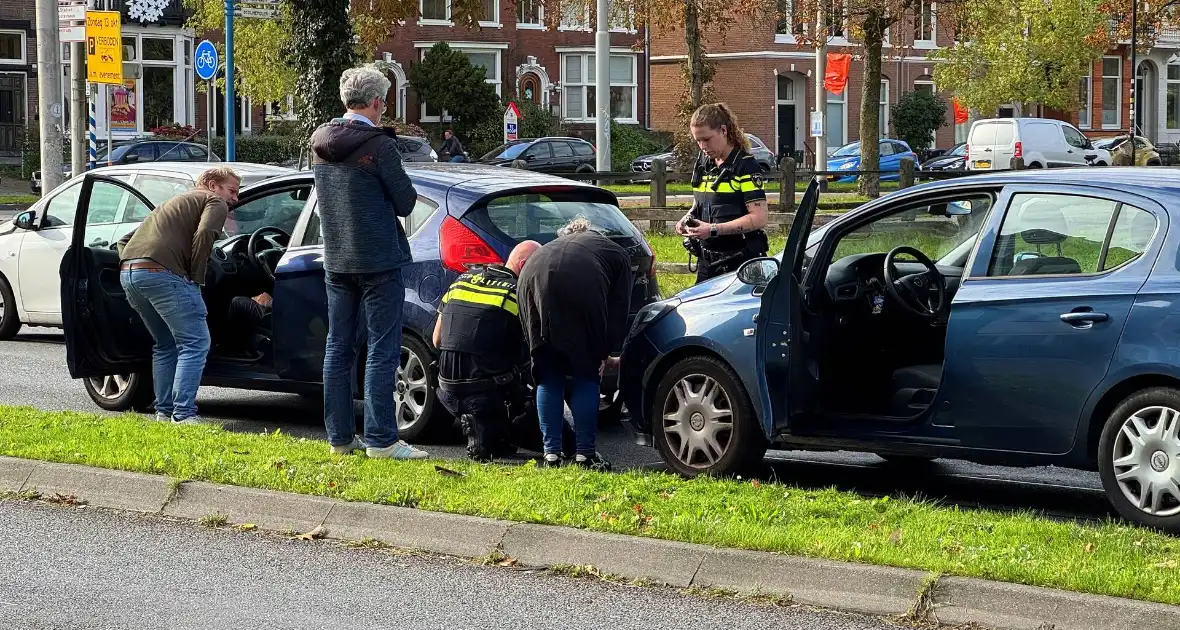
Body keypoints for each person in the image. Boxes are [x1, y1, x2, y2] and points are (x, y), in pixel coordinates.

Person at [311, 64, 428, 460]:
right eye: (384, 103)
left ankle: (340, 439)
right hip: (378, 259)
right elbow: (406, 201)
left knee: (338, 347)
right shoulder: (379, 146)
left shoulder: (319, 142)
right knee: (382, 347)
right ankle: (381, 439)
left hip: (337, 259)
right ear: (377, 101)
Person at [117, 166, 241, 424]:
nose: (234, 199)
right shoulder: (213, 201)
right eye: (232, 190)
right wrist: (195, 276)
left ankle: (164, 412)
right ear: (211, 184)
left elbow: (124, 241)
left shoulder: (171, 203)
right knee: (195, 342)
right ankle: (183, 414)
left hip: (130, 273)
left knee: (165, 344)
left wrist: (137, 264)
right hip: (165, 275)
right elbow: (206, 233)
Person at [517, 218, 633, 470]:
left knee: (548, 375)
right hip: (582, 285)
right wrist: (603, 352)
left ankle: (551, 456)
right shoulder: (614, 251)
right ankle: (585, 455)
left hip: (531, 277)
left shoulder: (549, 247)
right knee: (585, 374)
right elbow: (619, 306)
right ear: (593, 233)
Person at [432, 240, 541, 461]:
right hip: (486, 394)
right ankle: (491, 429)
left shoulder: (459, 282)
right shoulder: (515, 293)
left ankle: (491, 433)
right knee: (529, 376)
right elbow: (533, 349)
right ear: (524, 264)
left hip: (446, 391)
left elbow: (436, 340)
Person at [675, 103, 770, 283]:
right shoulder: (704, 163)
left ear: (723, 131)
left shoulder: (745, 166)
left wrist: (712, 229)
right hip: (707, 260)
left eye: (707, 139)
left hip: (741, 262)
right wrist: (687, 218)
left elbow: (759, 218)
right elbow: (702, 202)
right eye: (698, 140)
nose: (702, 146)